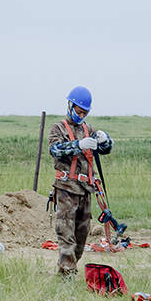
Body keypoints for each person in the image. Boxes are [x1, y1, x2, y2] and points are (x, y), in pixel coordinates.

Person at [47, 84, 112, 277]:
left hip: (85, 190)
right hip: (67, 189)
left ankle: (65, 270)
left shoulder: (87, 129)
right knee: (66, 235)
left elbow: (104, 150)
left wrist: (105, 141)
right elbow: (55, 150)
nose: (81, 115)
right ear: (70, 106)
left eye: (85, 113)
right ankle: (68, 275)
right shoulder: (57, 128)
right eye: (78, 111)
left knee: (81, 237)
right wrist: (78, 145)